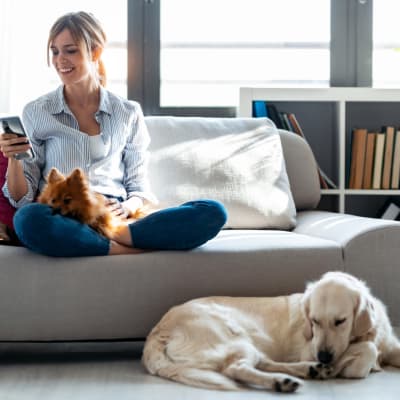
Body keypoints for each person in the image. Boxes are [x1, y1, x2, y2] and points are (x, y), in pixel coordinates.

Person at [0, 11, 227, 257]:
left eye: (70, 50)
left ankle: (114, 236)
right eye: (55, 51)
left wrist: (125, 207)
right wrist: (14, 157)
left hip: (114, 216)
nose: (60, 60)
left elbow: (139, 187)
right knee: (27, 218)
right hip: (63, 214)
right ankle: (120, 247)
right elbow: (20, 199)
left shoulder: (128, 112)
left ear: (95, 52)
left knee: (212, 211)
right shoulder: (37, 111)